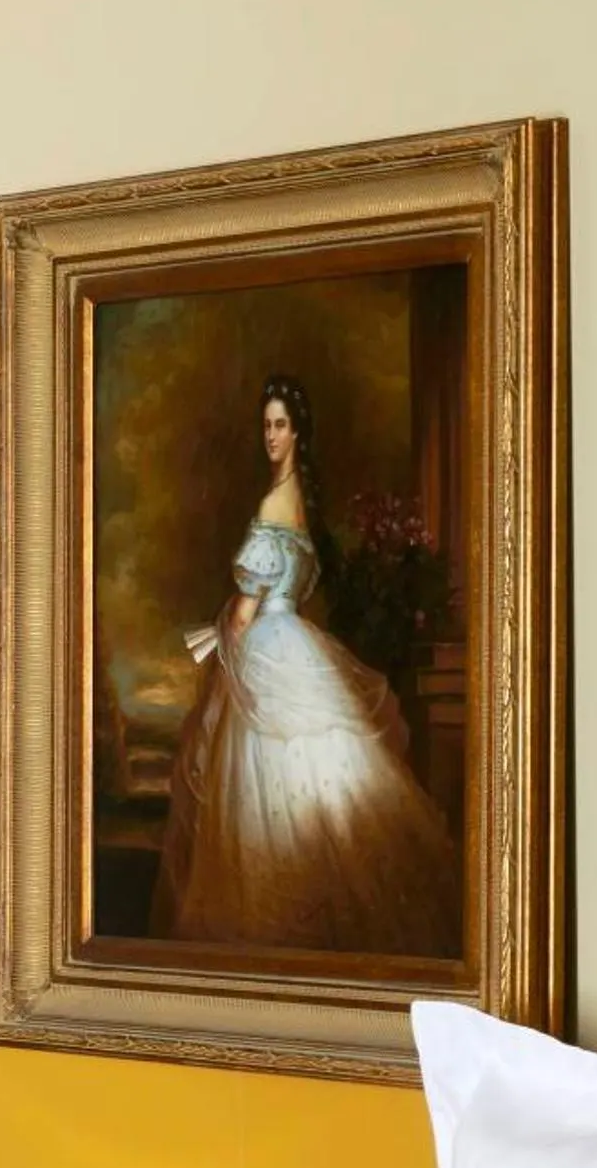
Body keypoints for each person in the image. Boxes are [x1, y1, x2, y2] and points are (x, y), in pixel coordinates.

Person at [151, 374, 458, 957]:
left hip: (267, 647)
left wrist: (215, 639)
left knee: (265, 782)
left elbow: (243, 615)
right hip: (293, 638)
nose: (270, 435)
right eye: (265, 425)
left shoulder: (271, 503)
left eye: (280, 425)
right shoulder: (302, 508)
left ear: (298, 433)